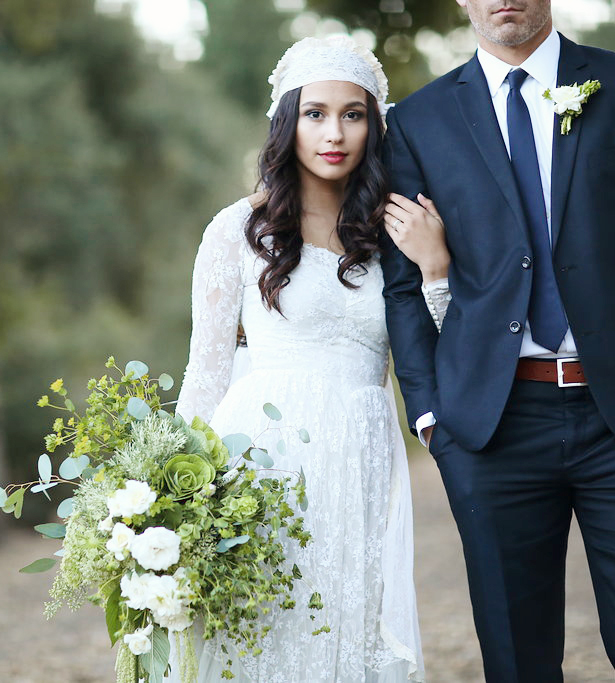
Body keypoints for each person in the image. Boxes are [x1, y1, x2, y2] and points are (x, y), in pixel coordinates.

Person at [381, 1, 615, 681]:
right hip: (491, 429)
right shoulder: (417, 123)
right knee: (518, 662)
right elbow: (400, 287)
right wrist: (430, 415)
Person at [176, 36, 441, 682]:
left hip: (362, 456)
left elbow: (431, 355)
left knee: (349, 629)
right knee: (261, 635)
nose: (335, 132)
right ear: (287, 122)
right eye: (315, 113)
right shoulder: (236, 231)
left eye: (354, 115)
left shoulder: (395, 234)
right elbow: (204, 377)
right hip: (259, 462)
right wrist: (169, 499)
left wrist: (435, 268)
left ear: (374, 127)